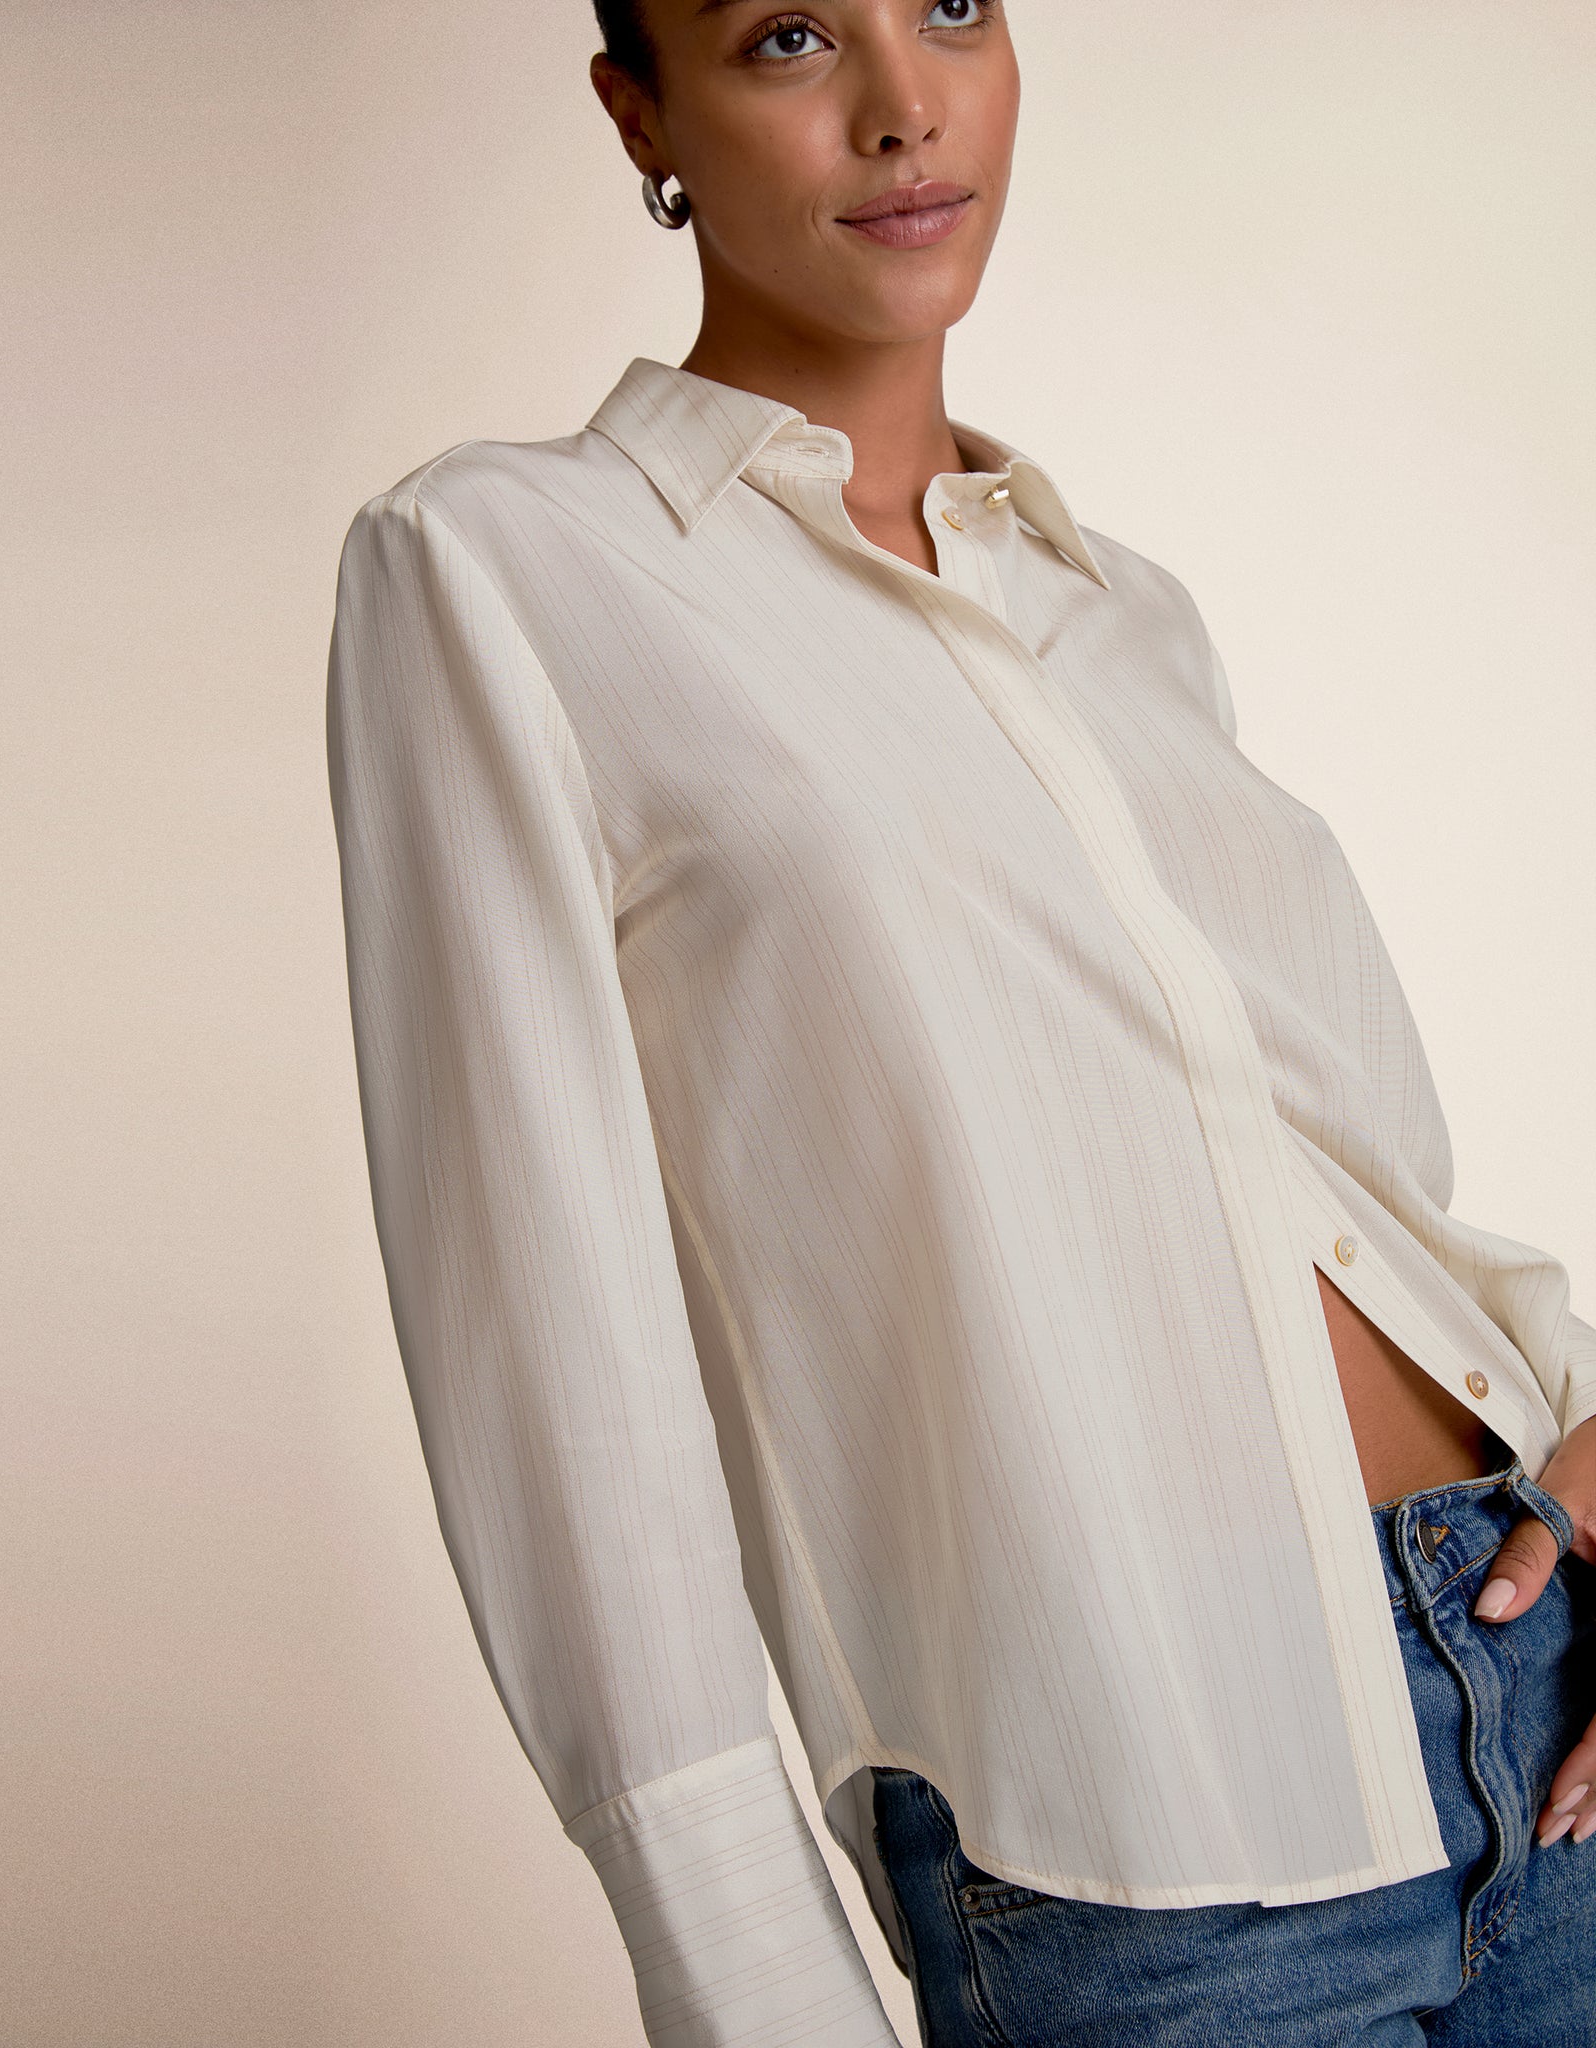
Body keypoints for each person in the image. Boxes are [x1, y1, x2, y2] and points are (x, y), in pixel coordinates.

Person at [322, 4, 1596, 2042]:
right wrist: (744, 1963)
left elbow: (1352, 1181)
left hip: (1541, 1699)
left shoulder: (1124, 608)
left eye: (948, 3)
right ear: (635, 109)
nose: (904, 103)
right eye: (785, 37)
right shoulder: (502, 571)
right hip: (1141, 1824)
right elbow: (543, 1336)